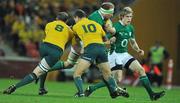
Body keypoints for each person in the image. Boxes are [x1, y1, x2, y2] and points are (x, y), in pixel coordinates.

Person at [84, 7, 165, 101]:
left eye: (131, 16)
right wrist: (110, 41)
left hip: (124, 54)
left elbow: (133, 42)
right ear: (121, 17)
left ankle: (152, 95)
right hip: (114, 54)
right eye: (127, 16)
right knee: (116, 79)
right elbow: (103, 41)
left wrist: (138, 49)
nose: (129, 18)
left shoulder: (130, 28)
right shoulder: (115, 28)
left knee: (141, 70)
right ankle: (92, 88)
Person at [37, 1, 117, 95]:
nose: (112, 15)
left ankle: (43, 69)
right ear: (106, 12)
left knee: (69, 64)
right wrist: (110, 37)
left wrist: (110, 30)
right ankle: (111, 90)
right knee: (103, 71)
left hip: (85, 44)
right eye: (111, 13)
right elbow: (93, 35)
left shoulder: (101, 18)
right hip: (82, 44)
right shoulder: (95, 19)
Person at [3, 12, 74, 94]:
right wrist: (69, 28)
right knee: (36, 73)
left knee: (44, 67)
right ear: (66, 20)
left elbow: (50, 33)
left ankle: (41, 88)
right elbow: (68, 39)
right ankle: (14, 87)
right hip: (55, 50)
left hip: (44, 47)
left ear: (57, 18)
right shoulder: (69, 30)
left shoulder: (49, 24)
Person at [72, 9, 128, 98]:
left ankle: (81, 93)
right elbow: (106, 41)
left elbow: (76, 41)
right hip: (102, 49)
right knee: (107, 74)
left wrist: (81, 50)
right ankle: (115, 90)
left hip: (90, 48)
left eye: (74, 19)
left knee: (77, 74)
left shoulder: (76, 26)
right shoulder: (97, 25)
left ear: (76, 17)